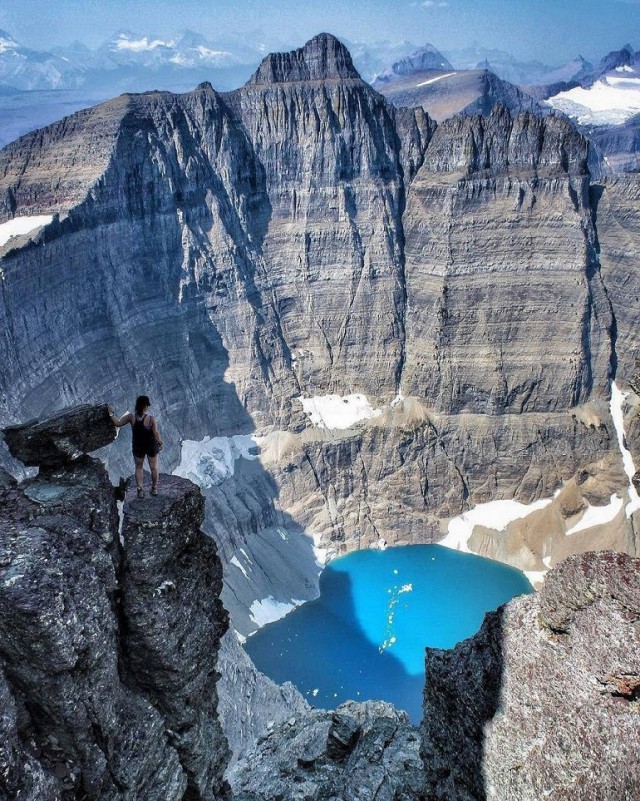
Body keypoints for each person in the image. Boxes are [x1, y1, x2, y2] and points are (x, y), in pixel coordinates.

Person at [108, 396, 163, 498]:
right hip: (151, 446)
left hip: (138, 446)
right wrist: (160, 442)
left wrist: (111, 413)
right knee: (154, 468)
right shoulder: (151, 419)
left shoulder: (131, 417)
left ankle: (140, 490)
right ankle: (154, 488)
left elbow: (118, 423)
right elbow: (155, 433)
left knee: (139, 467)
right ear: (146, 406)